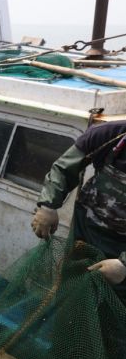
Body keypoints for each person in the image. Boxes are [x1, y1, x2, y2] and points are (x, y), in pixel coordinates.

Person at [32, 121, 126, 297]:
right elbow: (63, 169)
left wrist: (123, 265)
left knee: (111, 307)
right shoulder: (109, 134)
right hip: (85, 235)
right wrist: (48, 205)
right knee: (71, 293)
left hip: (121, 252)